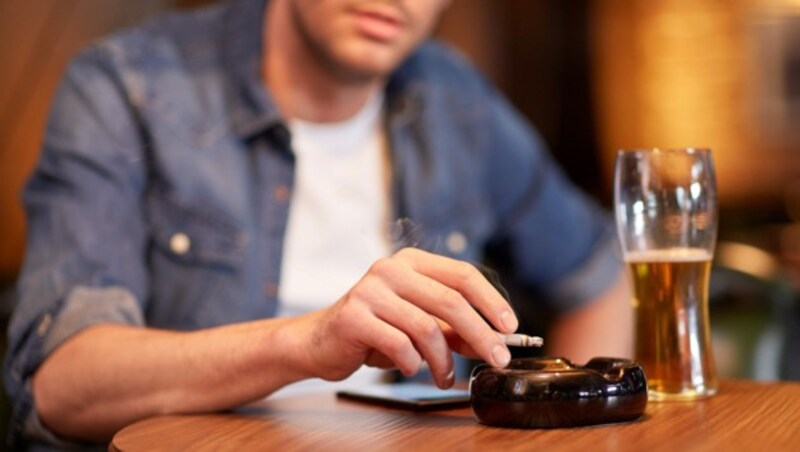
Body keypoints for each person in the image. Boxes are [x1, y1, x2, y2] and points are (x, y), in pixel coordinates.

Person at [4, 0, 632, 447]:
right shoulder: (126, 88)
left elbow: (602, 278)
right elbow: (61, 384)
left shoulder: (455, 102)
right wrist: (310, 342)